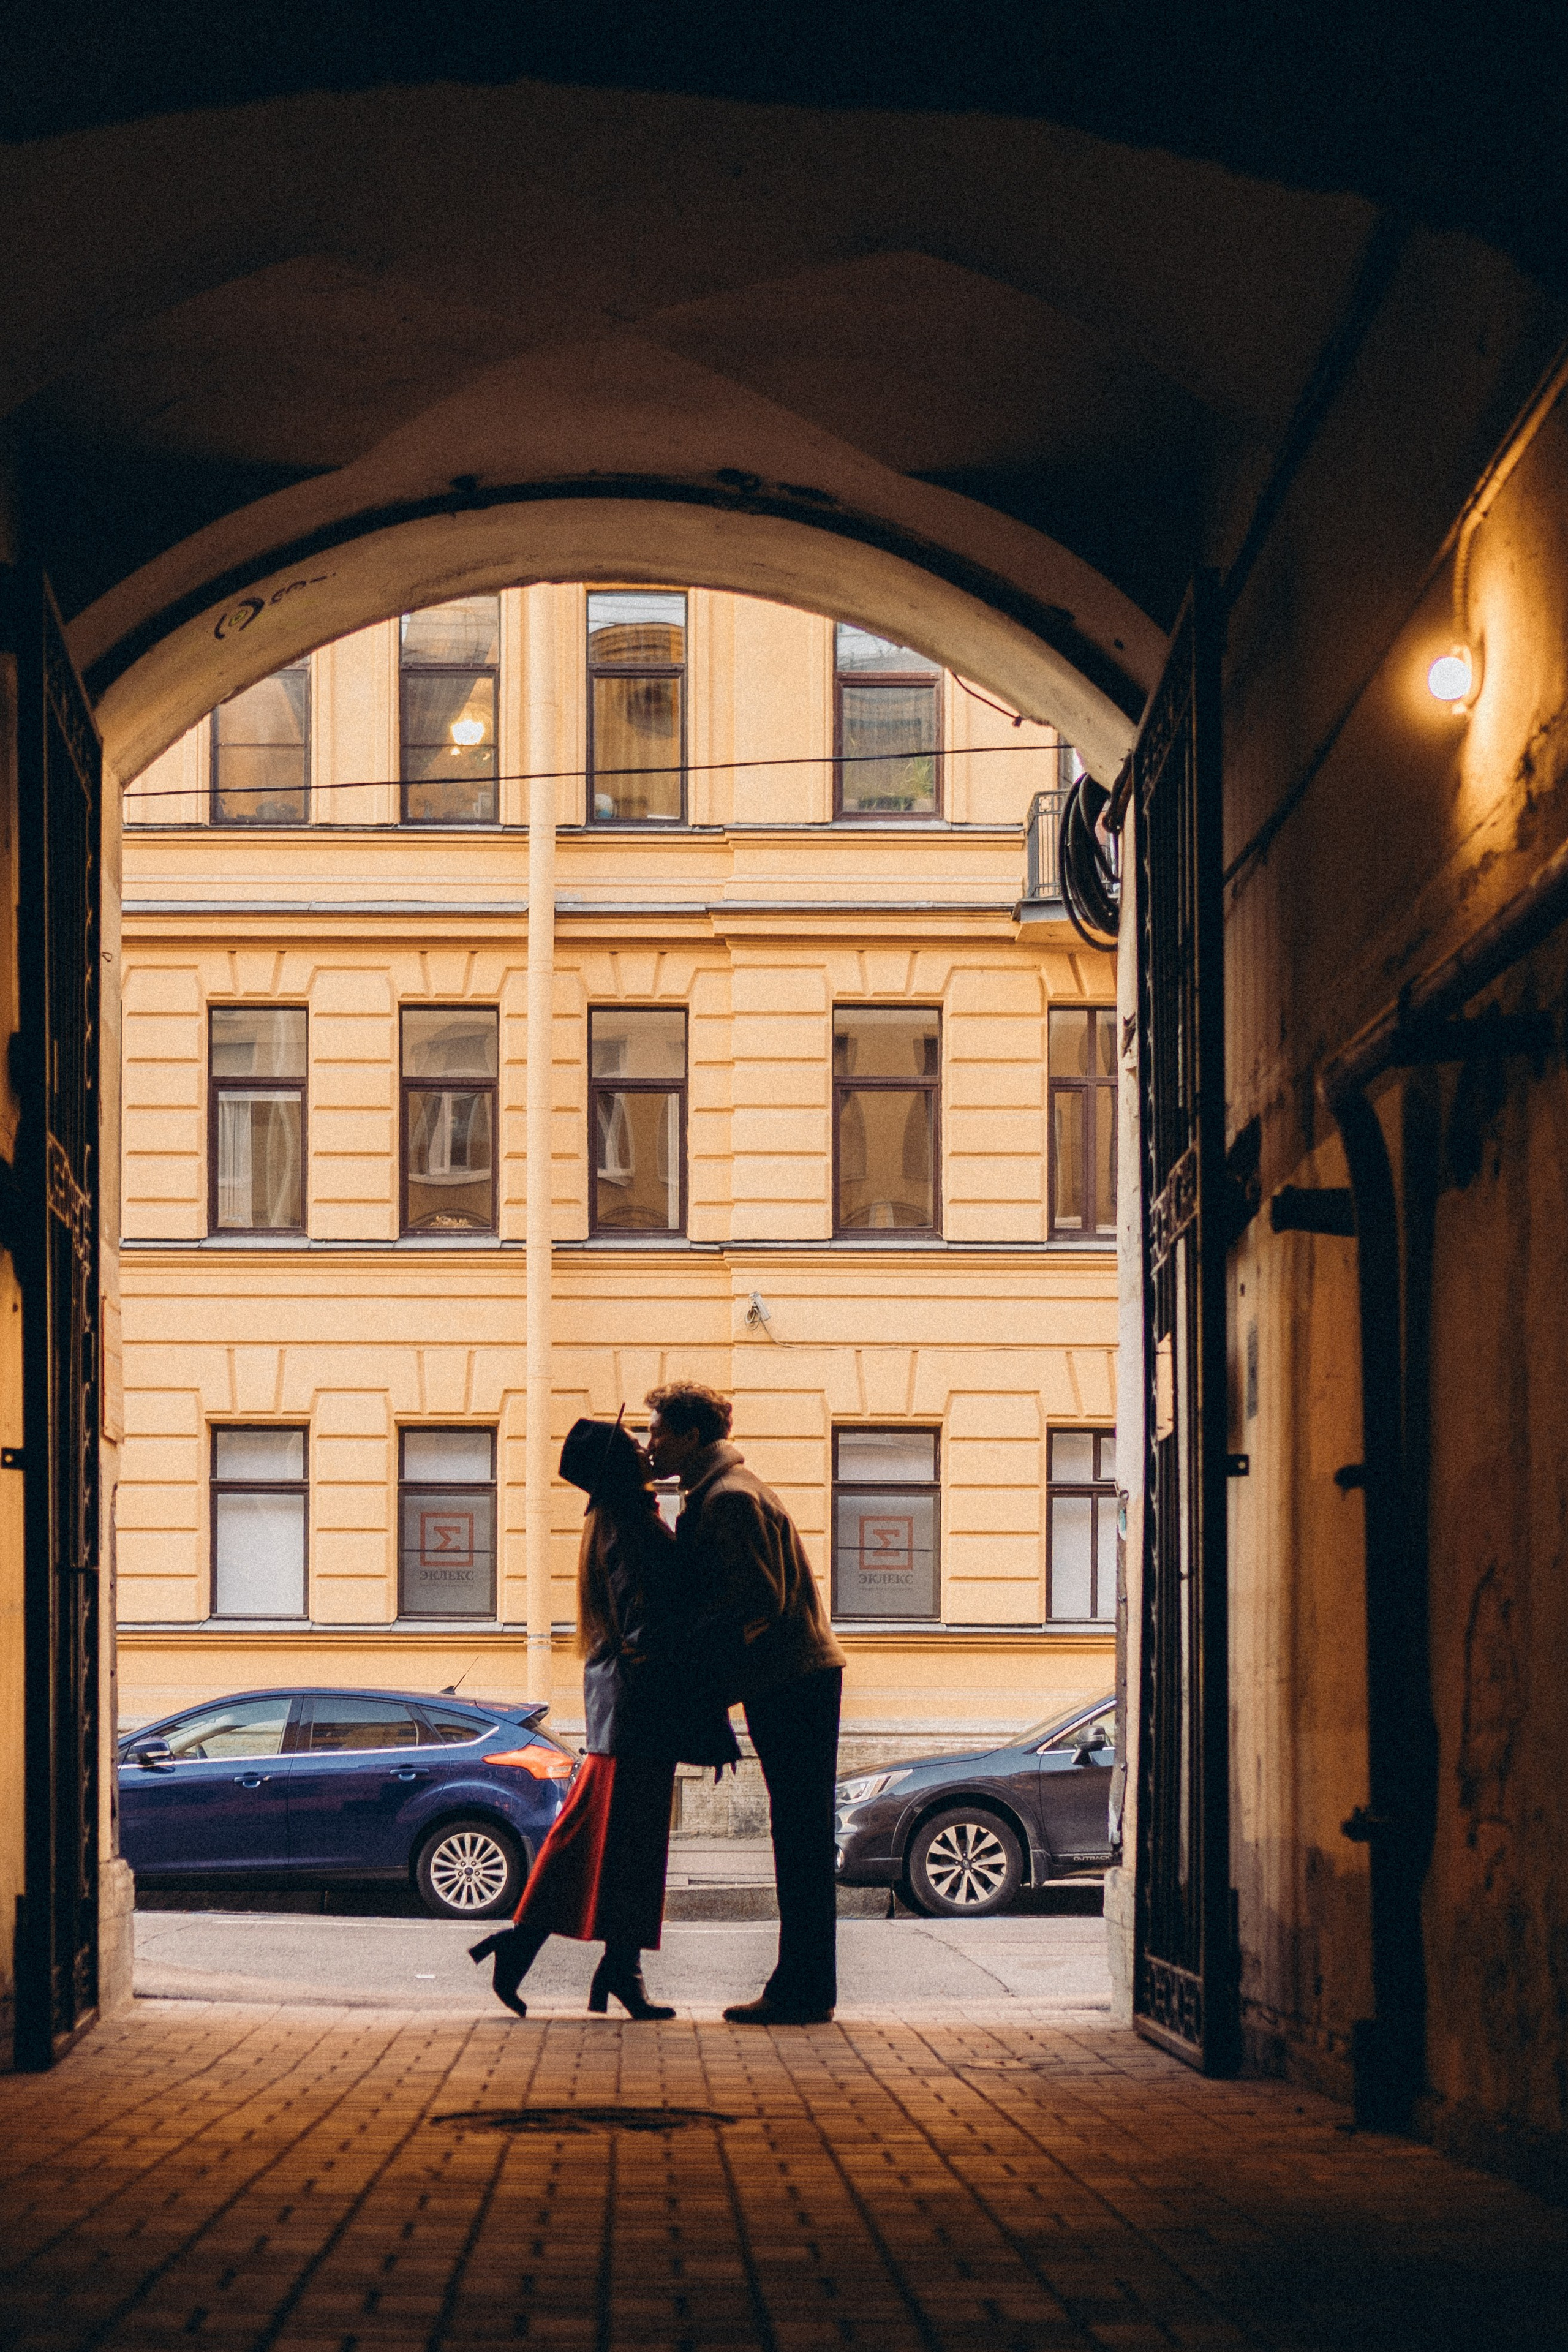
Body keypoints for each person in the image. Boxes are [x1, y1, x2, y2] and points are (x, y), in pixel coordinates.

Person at [469, 1413, 739, 2021]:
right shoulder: (632, 1527)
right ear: (619, 1465)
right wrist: (697, 1710)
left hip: (621, 1714)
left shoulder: (611, 1523)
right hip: (640, 1716)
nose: (646, 1451)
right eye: (633, 1446)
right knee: (630, 1852)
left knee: (596, 1847)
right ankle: (607, 1970)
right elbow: (648, 1629)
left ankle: (575, 1961)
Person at [645, 1381, 847, 2026]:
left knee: (799, 1837)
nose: (649, 1446)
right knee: (799, 1834)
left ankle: (803, 1988)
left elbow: (754, 1603)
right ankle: (804, 1983)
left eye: (658, 1433)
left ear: (691, 1436)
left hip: (790, 1680)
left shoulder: (729, 1500)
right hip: (796, 1677)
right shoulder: (727, 1490)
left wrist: (699, 1673)